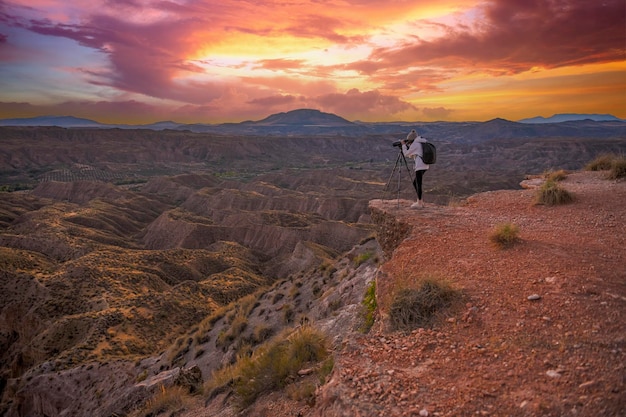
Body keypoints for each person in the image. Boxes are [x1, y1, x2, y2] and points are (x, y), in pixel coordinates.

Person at [401, 129, 429, 208]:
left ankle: (419, 203)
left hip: (420, 165)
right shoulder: (421, 142)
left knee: (418, 183)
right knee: (415, 182)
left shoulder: (415, 144)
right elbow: (413, 154)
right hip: (425, 164)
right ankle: (420, 200)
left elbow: (406, 154)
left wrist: (403, 145)